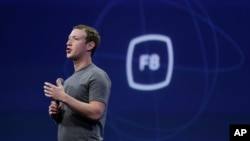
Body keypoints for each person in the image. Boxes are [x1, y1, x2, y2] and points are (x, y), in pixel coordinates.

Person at [43, 24, 111, 141]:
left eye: (75, 39)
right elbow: (72, 121)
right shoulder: (69, 81)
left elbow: (95, 112)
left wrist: (64, 97)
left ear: (90, 45)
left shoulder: (97, 75)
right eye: (68, 39)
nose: (68, 43)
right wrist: (57, 115)